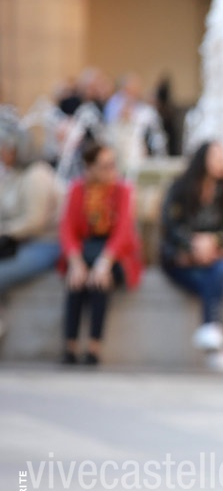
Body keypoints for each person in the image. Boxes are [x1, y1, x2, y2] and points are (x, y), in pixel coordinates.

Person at [58, 141, 142, 365]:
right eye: (105, 166)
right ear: (90, 168)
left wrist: (104, 262)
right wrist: (75, 263)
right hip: (85, 252)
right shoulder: (78, 189)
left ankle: (94, 347)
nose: (112, 170)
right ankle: (70, 345)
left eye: (113, 164)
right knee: (76, 282)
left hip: (117, 255)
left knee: (100, 282)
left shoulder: (123, 190)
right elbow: (67, 229)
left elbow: (124, 232)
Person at [160, 141, 223, 373]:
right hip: (180, 260)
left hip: (212, 260)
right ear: (203, 159)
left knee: (218, 273)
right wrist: (192, 244)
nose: (222, 161)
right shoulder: (181, 187)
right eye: (217, 157)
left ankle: (213, 339)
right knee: (213, 282)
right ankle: (217, 345)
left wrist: (214, 242)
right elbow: (170, 224)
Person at [0, 123, 63, 339]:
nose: (1, 154)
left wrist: (5, 230)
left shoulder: (37, 175)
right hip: (17, 241)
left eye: (4, 149)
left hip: (45, 244)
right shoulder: (13, 175)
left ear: (17, 149)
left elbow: (35, 222)